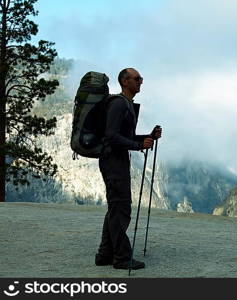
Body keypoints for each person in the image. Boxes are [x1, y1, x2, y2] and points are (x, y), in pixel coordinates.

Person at [95, 67, 162, 270]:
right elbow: (111, 136)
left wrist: (146, 137)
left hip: (116, 161)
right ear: (125, 81)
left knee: (116, 207)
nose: (141, 81)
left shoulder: (126, 104)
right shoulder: (118, 104)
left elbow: (125, 137)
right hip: (113, 162)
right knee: (121, 209)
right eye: (137, 78)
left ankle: (105, 254)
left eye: (141, 78)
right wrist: (138, 145)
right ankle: (122, 258)